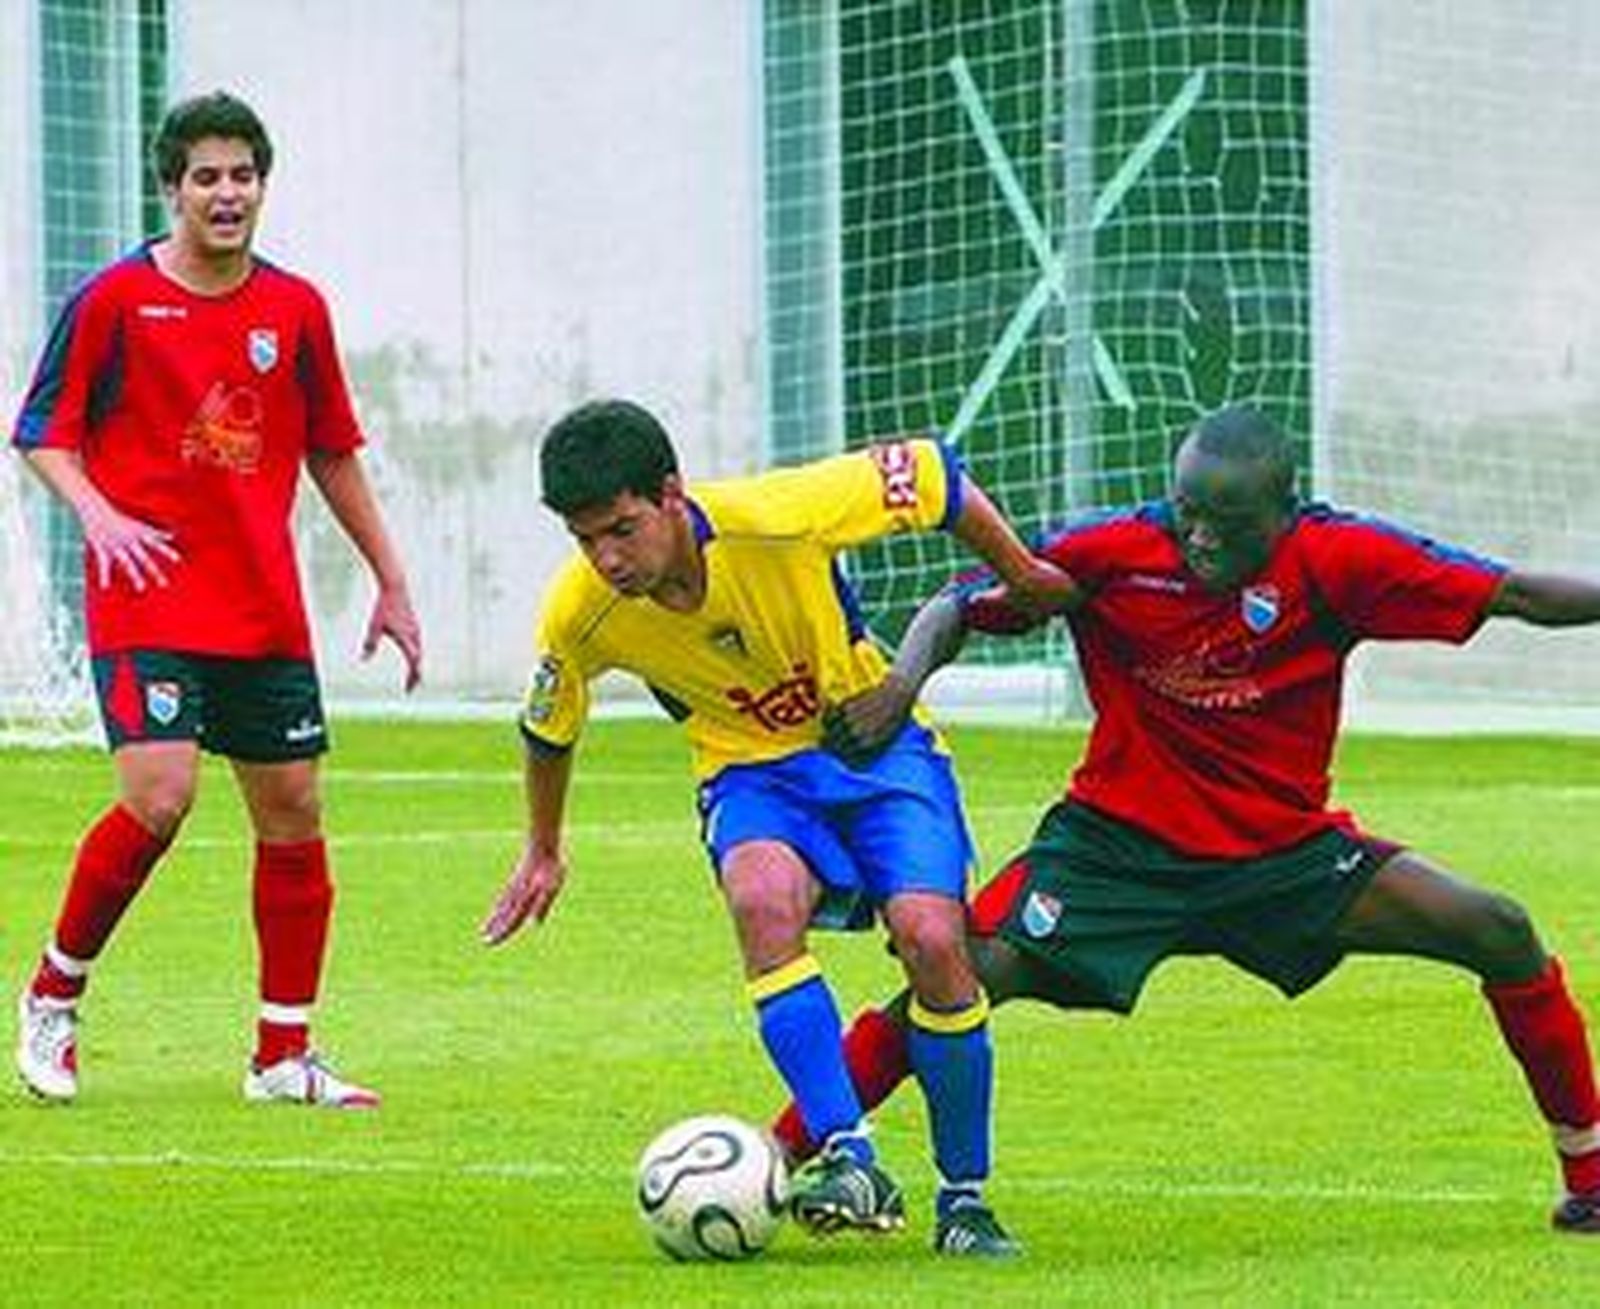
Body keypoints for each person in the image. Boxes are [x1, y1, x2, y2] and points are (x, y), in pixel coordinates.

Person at [769, 402, 1600, 1236]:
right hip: (1116, 851)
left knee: (1497, 928)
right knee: (958, 973)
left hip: (1281, 856)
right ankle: (771, 1158)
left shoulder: (1340, 558)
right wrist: (898, 688)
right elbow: (961, 604)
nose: (1199, 537)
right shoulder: (1118, 551)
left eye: (1226, 522)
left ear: (1284, 510)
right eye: (1187, 511)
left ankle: (1590, 1179)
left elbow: (1518, 593)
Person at [481, 398, 1076, 1256]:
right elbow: (548, 724)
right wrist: (543, 848)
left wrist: (1020, 573)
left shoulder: (780, 515)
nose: (607, 558)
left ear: (672, 494)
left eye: (621, 528)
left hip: (876, 749)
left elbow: (935, 471)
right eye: (586, 540)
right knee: (760, 899)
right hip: (749, 772)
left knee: (935, 941)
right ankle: (850, 1154)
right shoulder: (580, 610)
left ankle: (965, 1201)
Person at [11, 90, 422, 1109]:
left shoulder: (296, 310)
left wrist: (393, 579)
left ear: (261, 185)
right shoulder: (114, 302)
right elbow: (41, 431)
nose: (226, 193)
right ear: (174, 188)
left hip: (259, 605)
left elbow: (334, 451)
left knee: (293, 811)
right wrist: (97, 515)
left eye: (242, 175)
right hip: (146, 597)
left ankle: (283, 1055)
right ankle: (54, 996)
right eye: (207, 176)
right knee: (160, 796)